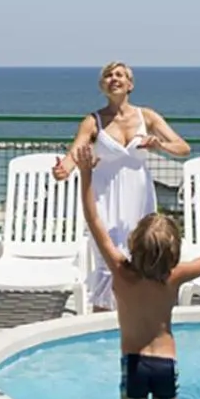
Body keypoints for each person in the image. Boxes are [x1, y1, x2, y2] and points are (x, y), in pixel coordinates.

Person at [75, 142, 200, 399]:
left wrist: (86, 175)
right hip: (165, 363)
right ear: (174, 252)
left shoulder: (120, 270)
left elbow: (94, 220)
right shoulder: (174, 276)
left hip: (133, 362)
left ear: (134, 244)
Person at [51, 61, 190, 311]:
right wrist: (64, 169)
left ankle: (140, 312)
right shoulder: (93, 121)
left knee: (142, 253)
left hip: (139, 195)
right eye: (108, 75)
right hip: (105, 196)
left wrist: (160, 145)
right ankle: (102, 320)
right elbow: (74, 153)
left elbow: (183, 148)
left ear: (130, 84)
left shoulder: (146, 116)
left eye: (119, 75)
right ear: (102, 85)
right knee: (108, 260)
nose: (113, 78)